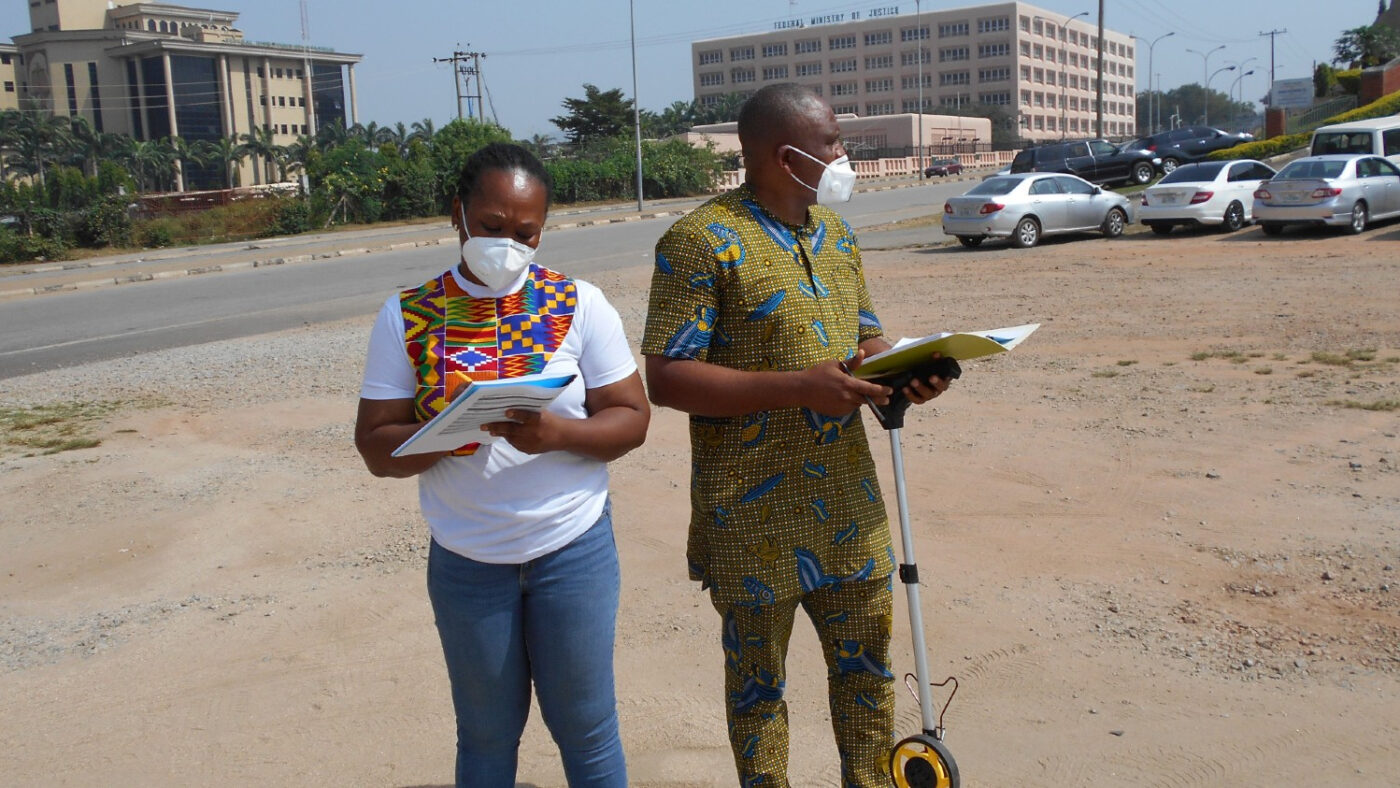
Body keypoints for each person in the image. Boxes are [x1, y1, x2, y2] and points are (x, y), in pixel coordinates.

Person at [640, 84, 955, 786]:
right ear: (787, 155)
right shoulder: (698, 242)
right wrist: (796, 388)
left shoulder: (836, 235)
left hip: (850, 510)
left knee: (868, 679)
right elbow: (666, 377)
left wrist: (906, 374)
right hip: (750, 517)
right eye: (834, 142)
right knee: (759, 696)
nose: (845, 155)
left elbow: (863, 338)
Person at [354, 142, 648, 787]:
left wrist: (558, 433)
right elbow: (376, 447)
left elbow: (632, 419)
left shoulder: (578, 304)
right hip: (467, 560)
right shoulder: (409, 314)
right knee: (486, 737)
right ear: (457, 214)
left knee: (588, 730)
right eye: (490, 227)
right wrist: (450, 434)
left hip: (572, 548)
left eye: (525, 233)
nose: (506, 244)